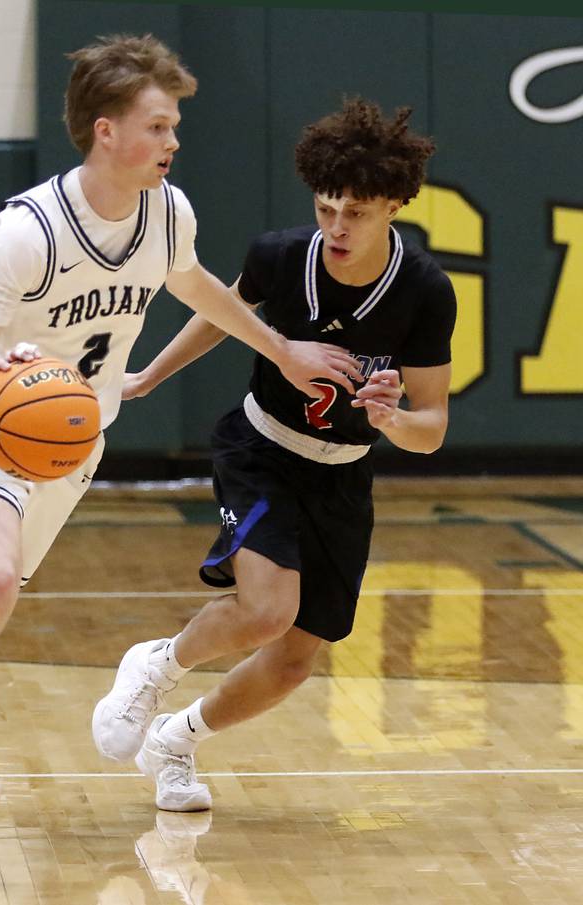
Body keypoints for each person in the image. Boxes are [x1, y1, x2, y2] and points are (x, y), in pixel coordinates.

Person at [0, 35, 359, 861]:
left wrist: (283, 350)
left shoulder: (169, 213)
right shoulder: (29, 231)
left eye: (175, 126)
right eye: (159, 125)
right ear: (106, 131)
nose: (174, 141)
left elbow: (199, 284)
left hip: (75, 441)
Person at [92, 97, 457, 812]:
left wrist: (391, 417)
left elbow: (434, 424)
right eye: (326, 208)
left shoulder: (424, 291)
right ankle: (154, 667)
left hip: (343, 477)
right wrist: (146, 376)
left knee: (293, 661)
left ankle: (176, 740)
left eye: (354, 211)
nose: (337, 226)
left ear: (391, 204)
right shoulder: (282, 256)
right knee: (265, 609)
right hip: (259, 448)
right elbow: (219, 316)